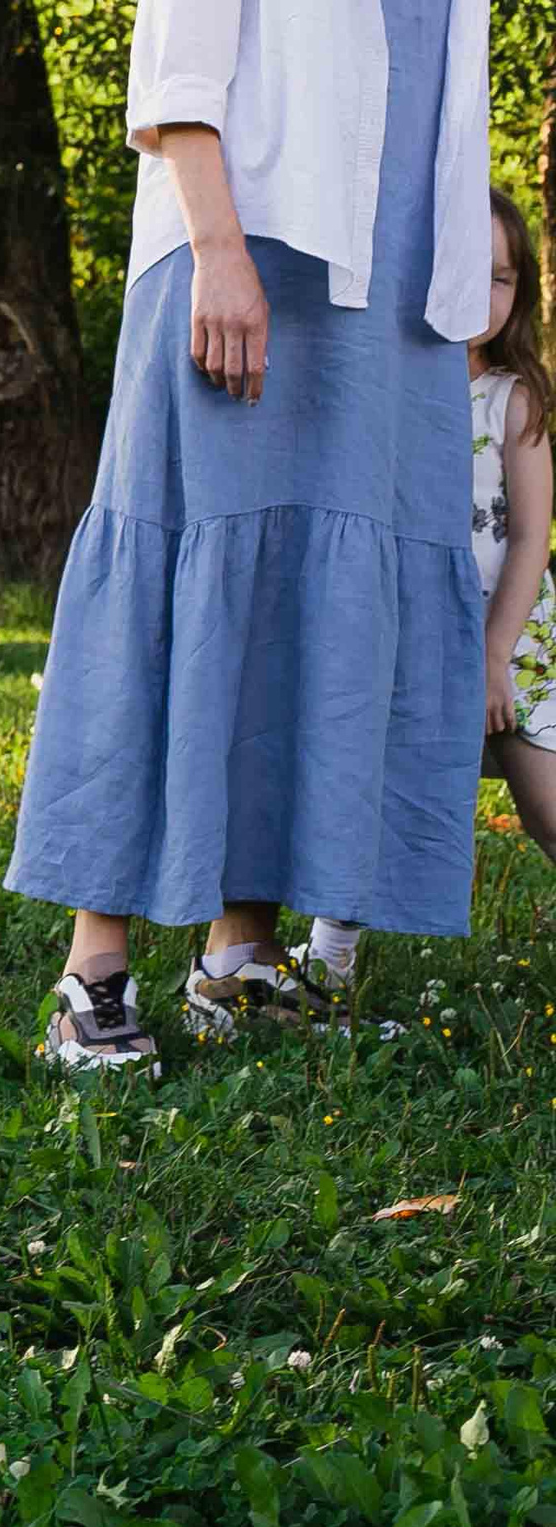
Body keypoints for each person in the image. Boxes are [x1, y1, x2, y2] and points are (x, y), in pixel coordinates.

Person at [4, 0, 492, 1074]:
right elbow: (178, 65)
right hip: (245, 243)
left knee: (308, 599)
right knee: (180, 561)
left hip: (400, 290)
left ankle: (243, 955)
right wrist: (217, 252)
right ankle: (93, 971)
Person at [301, 192, 556, 988]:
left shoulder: (512, 396)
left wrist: (493, 656)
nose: (485, 293)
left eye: (503, 278)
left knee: (549, 808)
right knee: (366, 789)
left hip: (509, 640)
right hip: (404, 636)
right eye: (469, 271)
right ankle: (328, 960)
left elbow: (530, 539)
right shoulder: (390, 384)